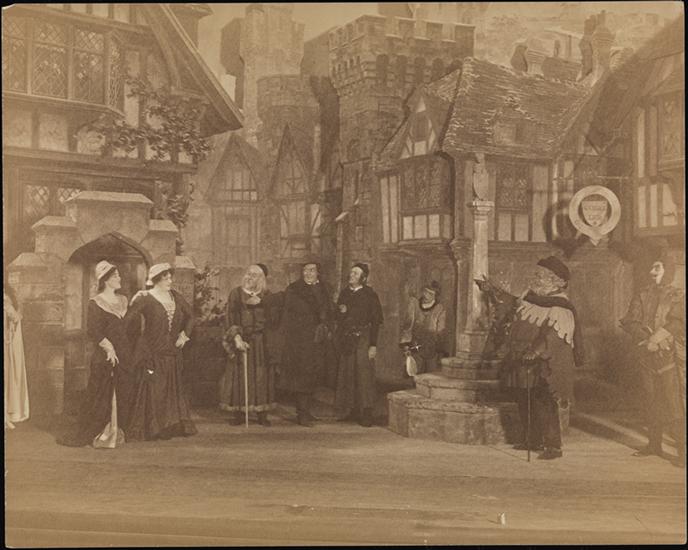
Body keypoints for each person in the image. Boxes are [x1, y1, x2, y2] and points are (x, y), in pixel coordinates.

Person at [478, 256, 583, 459]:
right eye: (536, 274)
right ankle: (532, 439)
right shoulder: (531, 297)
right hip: (521, 358)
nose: (535, 278)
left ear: (556, 281)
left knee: (544, 402)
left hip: (543, 363)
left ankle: (553, 446)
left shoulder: (561, 306)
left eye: (540, 275)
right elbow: (511, 304)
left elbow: (554, 334)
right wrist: (493, 290)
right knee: (524, 399)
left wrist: (536, 352)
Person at [57, 261, 135, 448]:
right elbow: (94, 330)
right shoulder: (95, 303)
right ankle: (99, 432)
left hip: (124, 351)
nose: (119, 278)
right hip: (105, 354)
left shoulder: (124, 300)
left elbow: (129, 328)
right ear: (105, 280)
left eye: (118, 275)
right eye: (115, 276)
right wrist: (109, 348)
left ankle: (117, 430)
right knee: (101, 391)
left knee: (123, 389)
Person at [620, 252, 686, 467]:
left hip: (670, 357)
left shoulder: (679, 295)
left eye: (657, 267)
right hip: (646, 357)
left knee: (675, 405)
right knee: (650, 401)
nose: (652, 272)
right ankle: (654, 445)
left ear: (668, 270)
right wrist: (647, 339)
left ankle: (683, 452)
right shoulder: (642, 294)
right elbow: (630, 322)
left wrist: (657, 340)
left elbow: (678, 323)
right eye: (651, 267)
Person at [125, 263, 197, 440]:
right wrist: (139, 342)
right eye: (166, 278)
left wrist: (184, 335)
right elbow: (128, 321)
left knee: (169, 390)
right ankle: (153, 428)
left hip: (172, 351)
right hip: (152, 352)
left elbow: (191, 316)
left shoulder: (175, 296)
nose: (170, 281)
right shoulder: (146, 298)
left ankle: (168, 426)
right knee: (155, 389)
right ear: (156, 280)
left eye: (170, 277)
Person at [220, 264, 277, 426]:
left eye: (254, 275)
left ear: (261, 279)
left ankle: (261, 413)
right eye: (248, 273)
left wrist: (263, 303)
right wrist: (237, 337)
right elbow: (230, 317)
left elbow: (273, 319)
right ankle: (239, 413)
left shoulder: (267, 295)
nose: (249, 277)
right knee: (240, 376)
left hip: (261, 343)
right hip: (241, 340)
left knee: (261, 376)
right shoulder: (236, 293)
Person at [280, 261, 334, 427]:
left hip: (318, 339)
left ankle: (307, 411)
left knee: (314, 375)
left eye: (311, 270)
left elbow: (329, 310)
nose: (308, 273)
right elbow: (287, 315)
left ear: (318, 273)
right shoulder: (294, 289)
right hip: (300, 340)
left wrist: (327, 326)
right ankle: (302, 414)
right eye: (305, 270)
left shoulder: (325, 288)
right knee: (301, 377)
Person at [334, 263, 384, 427]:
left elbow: (376, 321)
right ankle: (350, 410)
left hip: (364, 338)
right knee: (347, 373)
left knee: (364, 375)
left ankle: (366, 413)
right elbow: (338, 317)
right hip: (347, 338)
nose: (351, 275)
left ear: (363, 278)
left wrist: (373, 345)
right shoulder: (344, 293)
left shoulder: (370, 295)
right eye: (351, 273)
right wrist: (340, 313)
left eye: (355, 273)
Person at [400, 281, 447, 376]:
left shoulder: (440, 308)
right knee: (414, 373)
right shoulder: (414, 304)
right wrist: (406, 345)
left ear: (435, 296)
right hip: (415, 345)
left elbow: (441, 330)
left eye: (430, 294)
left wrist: (439, 347)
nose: (426, 295)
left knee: (431, 375)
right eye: (425, 292)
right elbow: (408, 326)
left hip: (432, 347)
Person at [4, 285, 29, 429]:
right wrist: (20, 307)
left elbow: (14, 317)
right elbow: (16, 317)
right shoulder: (5, 299)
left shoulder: (6, 299)